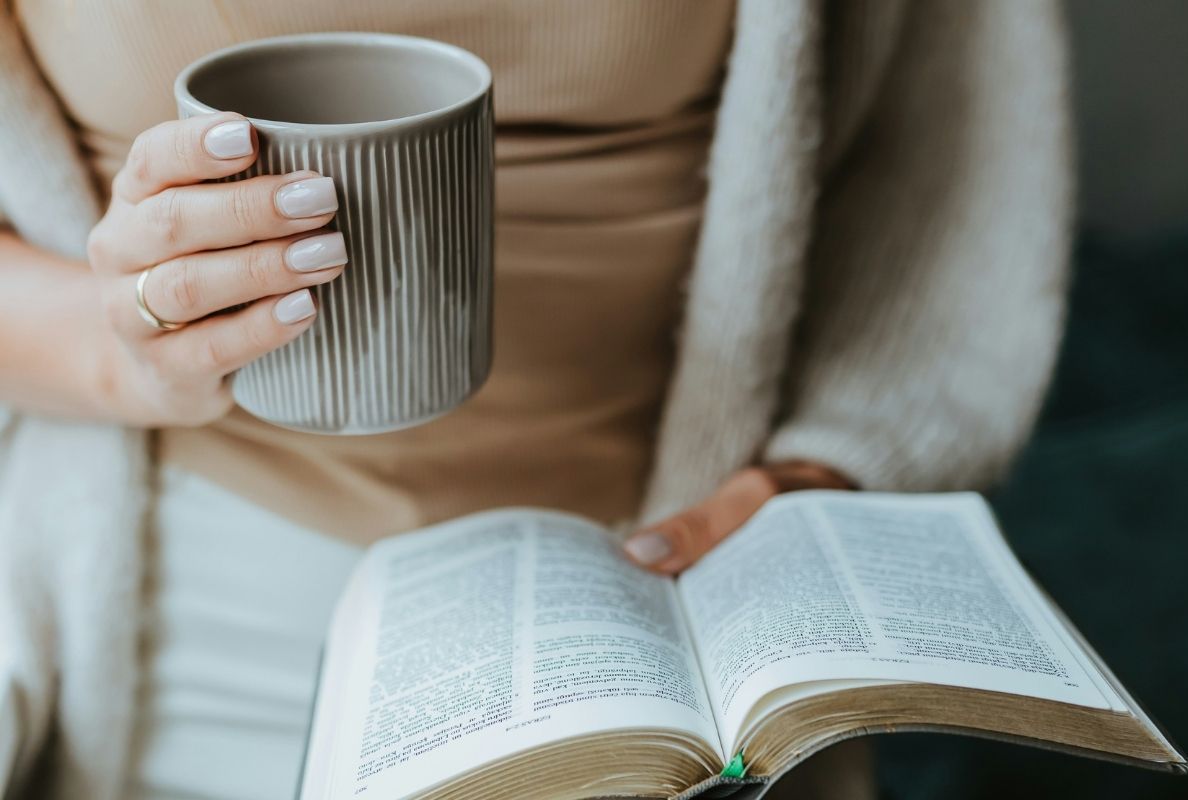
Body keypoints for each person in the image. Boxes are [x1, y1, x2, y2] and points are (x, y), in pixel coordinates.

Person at [0, 1, 1071, 798]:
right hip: (163, 602)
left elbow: (953, 182)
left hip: (658, 599)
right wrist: (123, 348)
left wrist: (822, 468)